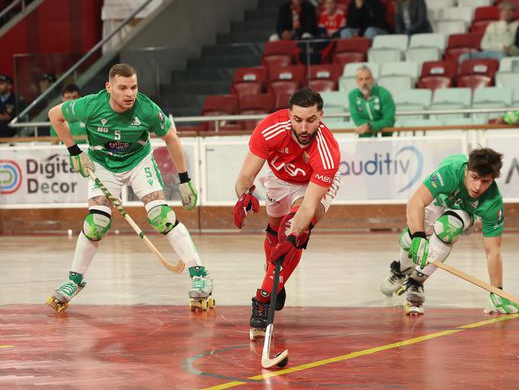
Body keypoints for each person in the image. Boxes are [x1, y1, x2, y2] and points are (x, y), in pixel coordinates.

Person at [46, 63, 213, 312]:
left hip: (138, 161)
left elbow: (171, 138)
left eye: (133, 87)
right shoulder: (90, 105)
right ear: (109, 87)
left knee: (161, 217)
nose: (129, 94)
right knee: (96, 224)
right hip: (102, 164)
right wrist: (74, 151)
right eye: (122, 88)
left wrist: (185, 179)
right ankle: (74, 280)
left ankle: (200, 274)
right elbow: (54, 115)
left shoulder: (145, 109)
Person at [233, 88, 341, 337]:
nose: (304, 128)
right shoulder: (270, 128)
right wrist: (244, 195)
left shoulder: (327, 152)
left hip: (310, 184)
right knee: (273, 230)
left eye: (311, 120)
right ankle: (275, 282)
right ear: (289, 116)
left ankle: (262, 300)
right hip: (278, 178)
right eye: (298, 120)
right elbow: (245, 176)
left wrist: (293, 237)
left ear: (321, 116)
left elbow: (309, 206)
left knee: (291, 233)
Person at [380, 148, 519, 316]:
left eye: (485, 181)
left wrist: (497, 291)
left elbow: (493, 251)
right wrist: (419, 236)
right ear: (466, 171)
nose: (478, 187)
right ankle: (401, 271)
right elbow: (416, 202)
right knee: (411, 236)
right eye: (474, 178)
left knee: (447, 228)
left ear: (493, 180)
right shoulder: (449, 172)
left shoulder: (493, 201)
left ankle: (416, 281)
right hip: (440, 199)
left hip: (463, 212)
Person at [348, 65, 395, 137]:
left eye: (367, 79)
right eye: (361, 79)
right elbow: (357, 119)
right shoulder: (352, 96)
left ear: (372, 79)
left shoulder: (384, 94)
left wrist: (369, 126)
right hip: (364, 138)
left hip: (385, 138)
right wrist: (369, 126)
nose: (364, 83)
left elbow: (389, 120)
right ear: (356, 81)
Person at [0, 74, 25, 138]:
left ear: (9, 86)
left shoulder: (17, 99)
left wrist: (7, 117)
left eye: (1, 83)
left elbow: (22, 118)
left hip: (12, 135)